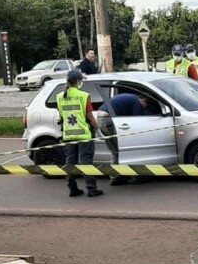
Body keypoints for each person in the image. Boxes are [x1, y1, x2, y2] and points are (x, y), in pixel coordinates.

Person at [57, 69, 103, 198]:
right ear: (78, 81)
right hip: (84, 135)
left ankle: (72, 189)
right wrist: (97, 128)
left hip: (68, 135)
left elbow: (61, 116)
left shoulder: (60, 97)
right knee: (86, 162)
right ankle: (91, 189)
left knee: (70, 162)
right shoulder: (84, 96)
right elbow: (90, 116)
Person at [97, 93, 158, 186]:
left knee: (115, 150)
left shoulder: (130, 98)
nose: (144, 108)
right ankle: (134, 176)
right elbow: (136, 120)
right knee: (126, 149)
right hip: (108, 118)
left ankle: (115, 177)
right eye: (145, 106)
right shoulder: (136, 102)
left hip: (101, 117)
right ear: (144, 101)